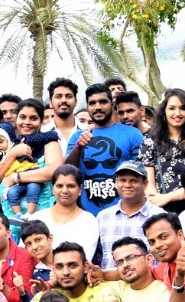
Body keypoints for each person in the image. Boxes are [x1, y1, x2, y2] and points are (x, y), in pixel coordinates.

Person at [62, 82, 145, 214]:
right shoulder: (77, 137)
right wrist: (79, 146)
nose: (98, 107)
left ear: (112, 104)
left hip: (124, 214)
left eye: (103, 102)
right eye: (92, 103)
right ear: (87, 107)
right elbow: (67, 171)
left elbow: (143, 173)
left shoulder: (133, 134)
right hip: (87, 216)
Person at [138, 89, 185, 211]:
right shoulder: (150, 143)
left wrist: (168, 197)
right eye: (172, 108)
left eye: (182, 108)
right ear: (164, 111)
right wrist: (157, 201)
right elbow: (148, 184)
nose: (177, 113)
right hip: (162, 210)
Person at [94, 161, 155, 271]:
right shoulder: (103, 217)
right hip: (108, 281)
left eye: (133, 181)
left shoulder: (158, 216)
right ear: (116, 182)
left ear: (145, 184)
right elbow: (98, 258)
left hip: (148, 281)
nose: (127, 185)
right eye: (122, 180)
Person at [26, 165, 100, 252]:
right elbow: (24, 253)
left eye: (70, 186)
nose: (64, 191)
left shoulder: (88, 221)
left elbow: (84, 256)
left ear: (80, 189)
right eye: (59, 186)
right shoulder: (37, 218)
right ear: (52, 189)